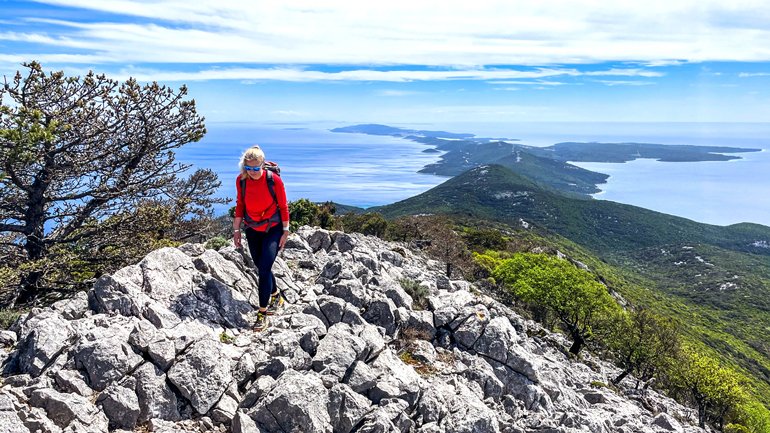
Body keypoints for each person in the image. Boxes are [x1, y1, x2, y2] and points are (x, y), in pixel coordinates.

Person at [233, 146, 289, 331]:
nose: (253, 172)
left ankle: (262, 313)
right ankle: (276, 295)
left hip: (273, 227)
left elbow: (283, 206)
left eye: (256, 168)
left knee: (264, 269)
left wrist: (285, 231)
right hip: (252, 227)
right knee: (260, 265)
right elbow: (240, 204)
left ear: (263, 165)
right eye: (248, 168)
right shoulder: (241, 181)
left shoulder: (274, 181)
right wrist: (236, 230)